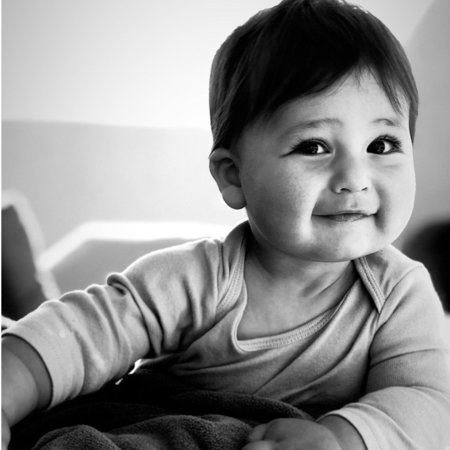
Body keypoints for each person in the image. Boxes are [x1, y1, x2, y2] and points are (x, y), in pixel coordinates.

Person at [3, 0, 450, 448]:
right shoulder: (198, 278)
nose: (355, 178)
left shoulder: (399, 295)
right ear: (234, 177)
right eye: (314, 147)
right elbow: (80, 333)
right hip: (165, 422)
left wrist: (340, 438)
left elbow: (426, 400)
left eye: (382, 144)